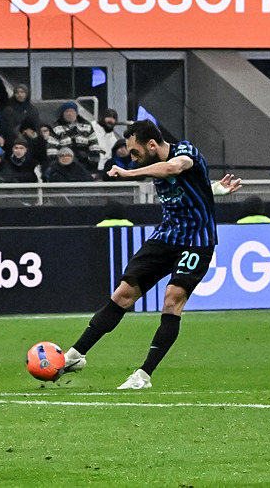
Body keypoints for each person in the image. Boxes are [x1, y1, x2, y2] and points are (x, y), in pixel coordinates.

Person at [61, 120, 241, 390]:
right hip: (165, 237)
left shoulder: (185, 151)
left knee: (172, 300)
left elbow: (174, 168)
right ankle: (76, 355)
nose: (132, 158)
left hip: (196, 242)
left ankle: (143, 375)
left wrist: (129, 173)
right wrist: (212, 189)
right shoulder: (156, 164)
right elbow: (188, 186)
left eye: (135, 152)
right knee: (123, 294)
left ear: (153, 145)